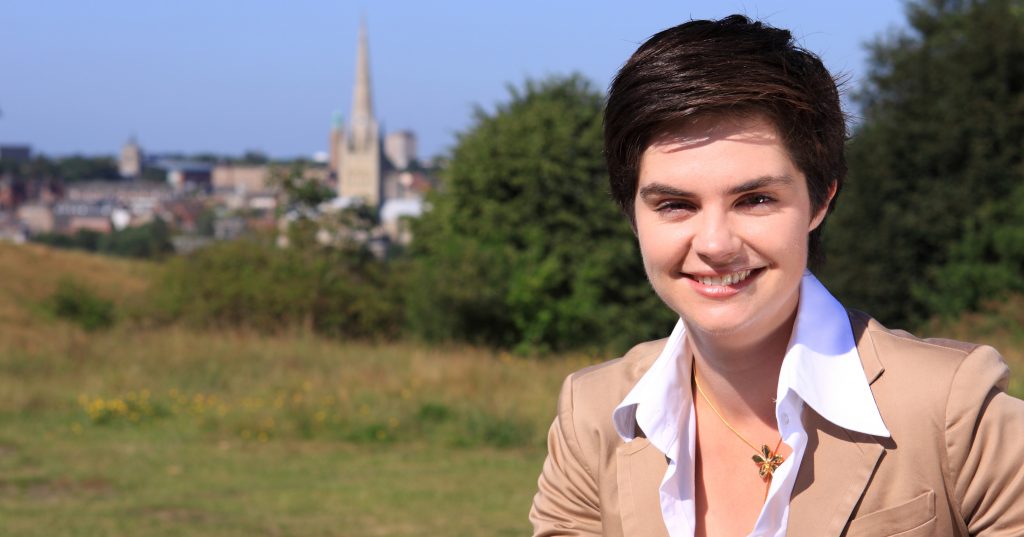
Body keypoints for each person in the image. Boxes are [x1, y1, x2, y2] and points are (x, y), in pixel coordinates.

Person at [529, 15, 1024, 537]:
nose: (715, 243)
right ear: (632, 214)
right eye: (675, 205)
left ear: (820, 199)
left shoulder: (951, 408)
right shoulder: (592, 416)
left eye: (756, 199)